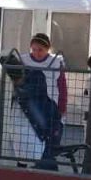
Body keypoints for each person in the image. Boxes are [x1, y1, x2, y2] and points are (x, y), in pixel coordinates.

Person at [20, 33, 67, 166]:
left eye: (40, 50)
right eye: (34, 49)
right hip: (30, 106)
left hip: (51, 106)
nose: (36, 53)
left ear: (47, 49)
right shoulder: (23, 60)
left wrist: (62, 107)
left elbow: (62, 86)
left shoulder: (56, 62)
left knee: (50, 137)